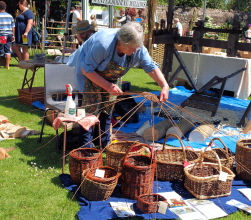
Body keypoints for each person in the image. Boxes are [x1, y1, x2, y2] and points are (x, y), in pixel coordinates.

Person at [67, 21, 169, 149]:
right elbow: (86, 69)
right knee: (89, 110)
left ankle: (103, 142)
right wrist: (108, 86)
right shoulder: (103, 44)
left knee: (107, 109)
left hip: (110, 78)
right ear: (122, 42)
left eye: (135, 49)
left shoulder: (138, 48)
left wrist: (164, 86)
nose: (133, 52)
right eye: (131, 49)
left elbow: (151, 67)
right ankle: (85, 147)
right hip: (89, 74)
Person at [0, 1, 15, 69]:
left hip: (2, 35)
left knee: (1, 49)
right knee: (8, 50)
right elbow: (13, 26)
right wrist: (13, 35)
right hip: (9, 35)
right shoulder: (10, 16)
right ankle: (7, 65)